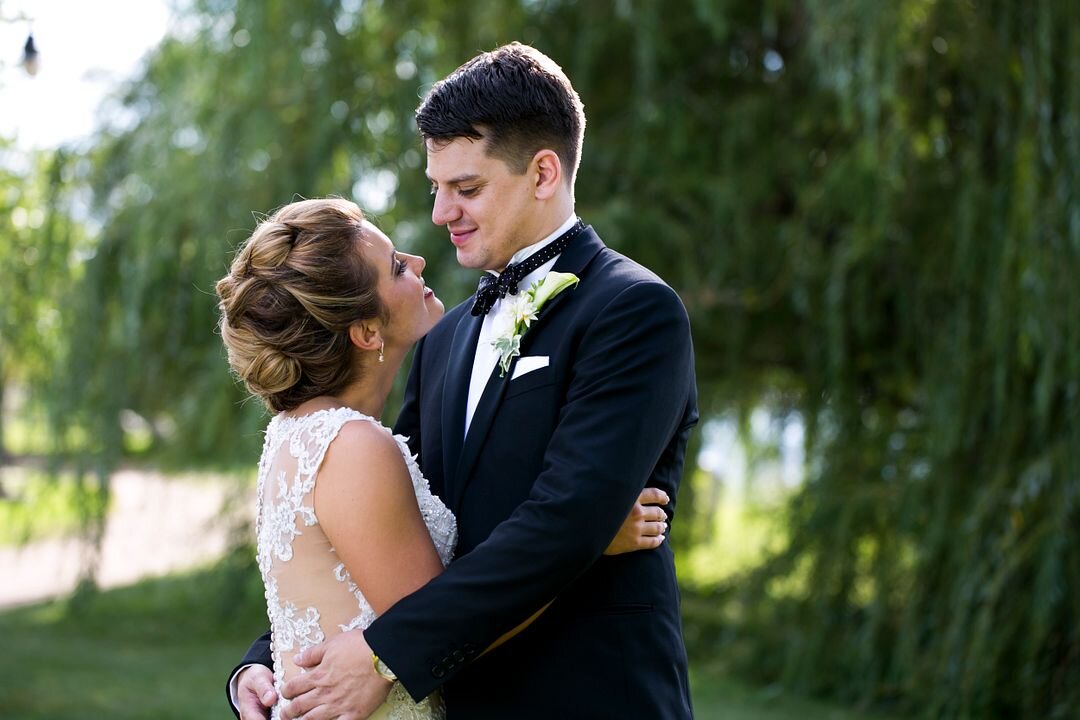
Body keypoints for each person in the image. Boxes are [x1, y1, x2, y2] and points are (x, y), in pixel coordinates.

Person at [219, 198, 671, 719]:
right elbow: (438, 626)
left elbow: (346, 580)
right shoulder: (357, 446)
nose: (419, 260)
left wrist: (263, 665)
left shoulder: (296, 433)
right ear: (366, 333)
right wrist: (588, 542)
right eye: (394, 267)